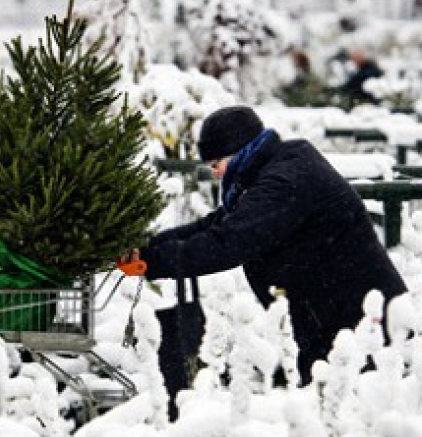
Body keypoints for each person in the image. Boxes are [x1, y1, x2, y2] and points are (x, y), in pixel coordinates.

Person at [138, 105, 408, 386]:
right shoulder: (271, 168)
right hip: (331, 319)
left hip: (360, 327)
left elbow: (229, 241)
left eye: (216, 165)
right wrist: (149, 247)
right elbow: (217, 224)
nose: (215, 175)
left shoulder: (284, 180)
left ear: (238, 151)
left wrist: (153, 262)